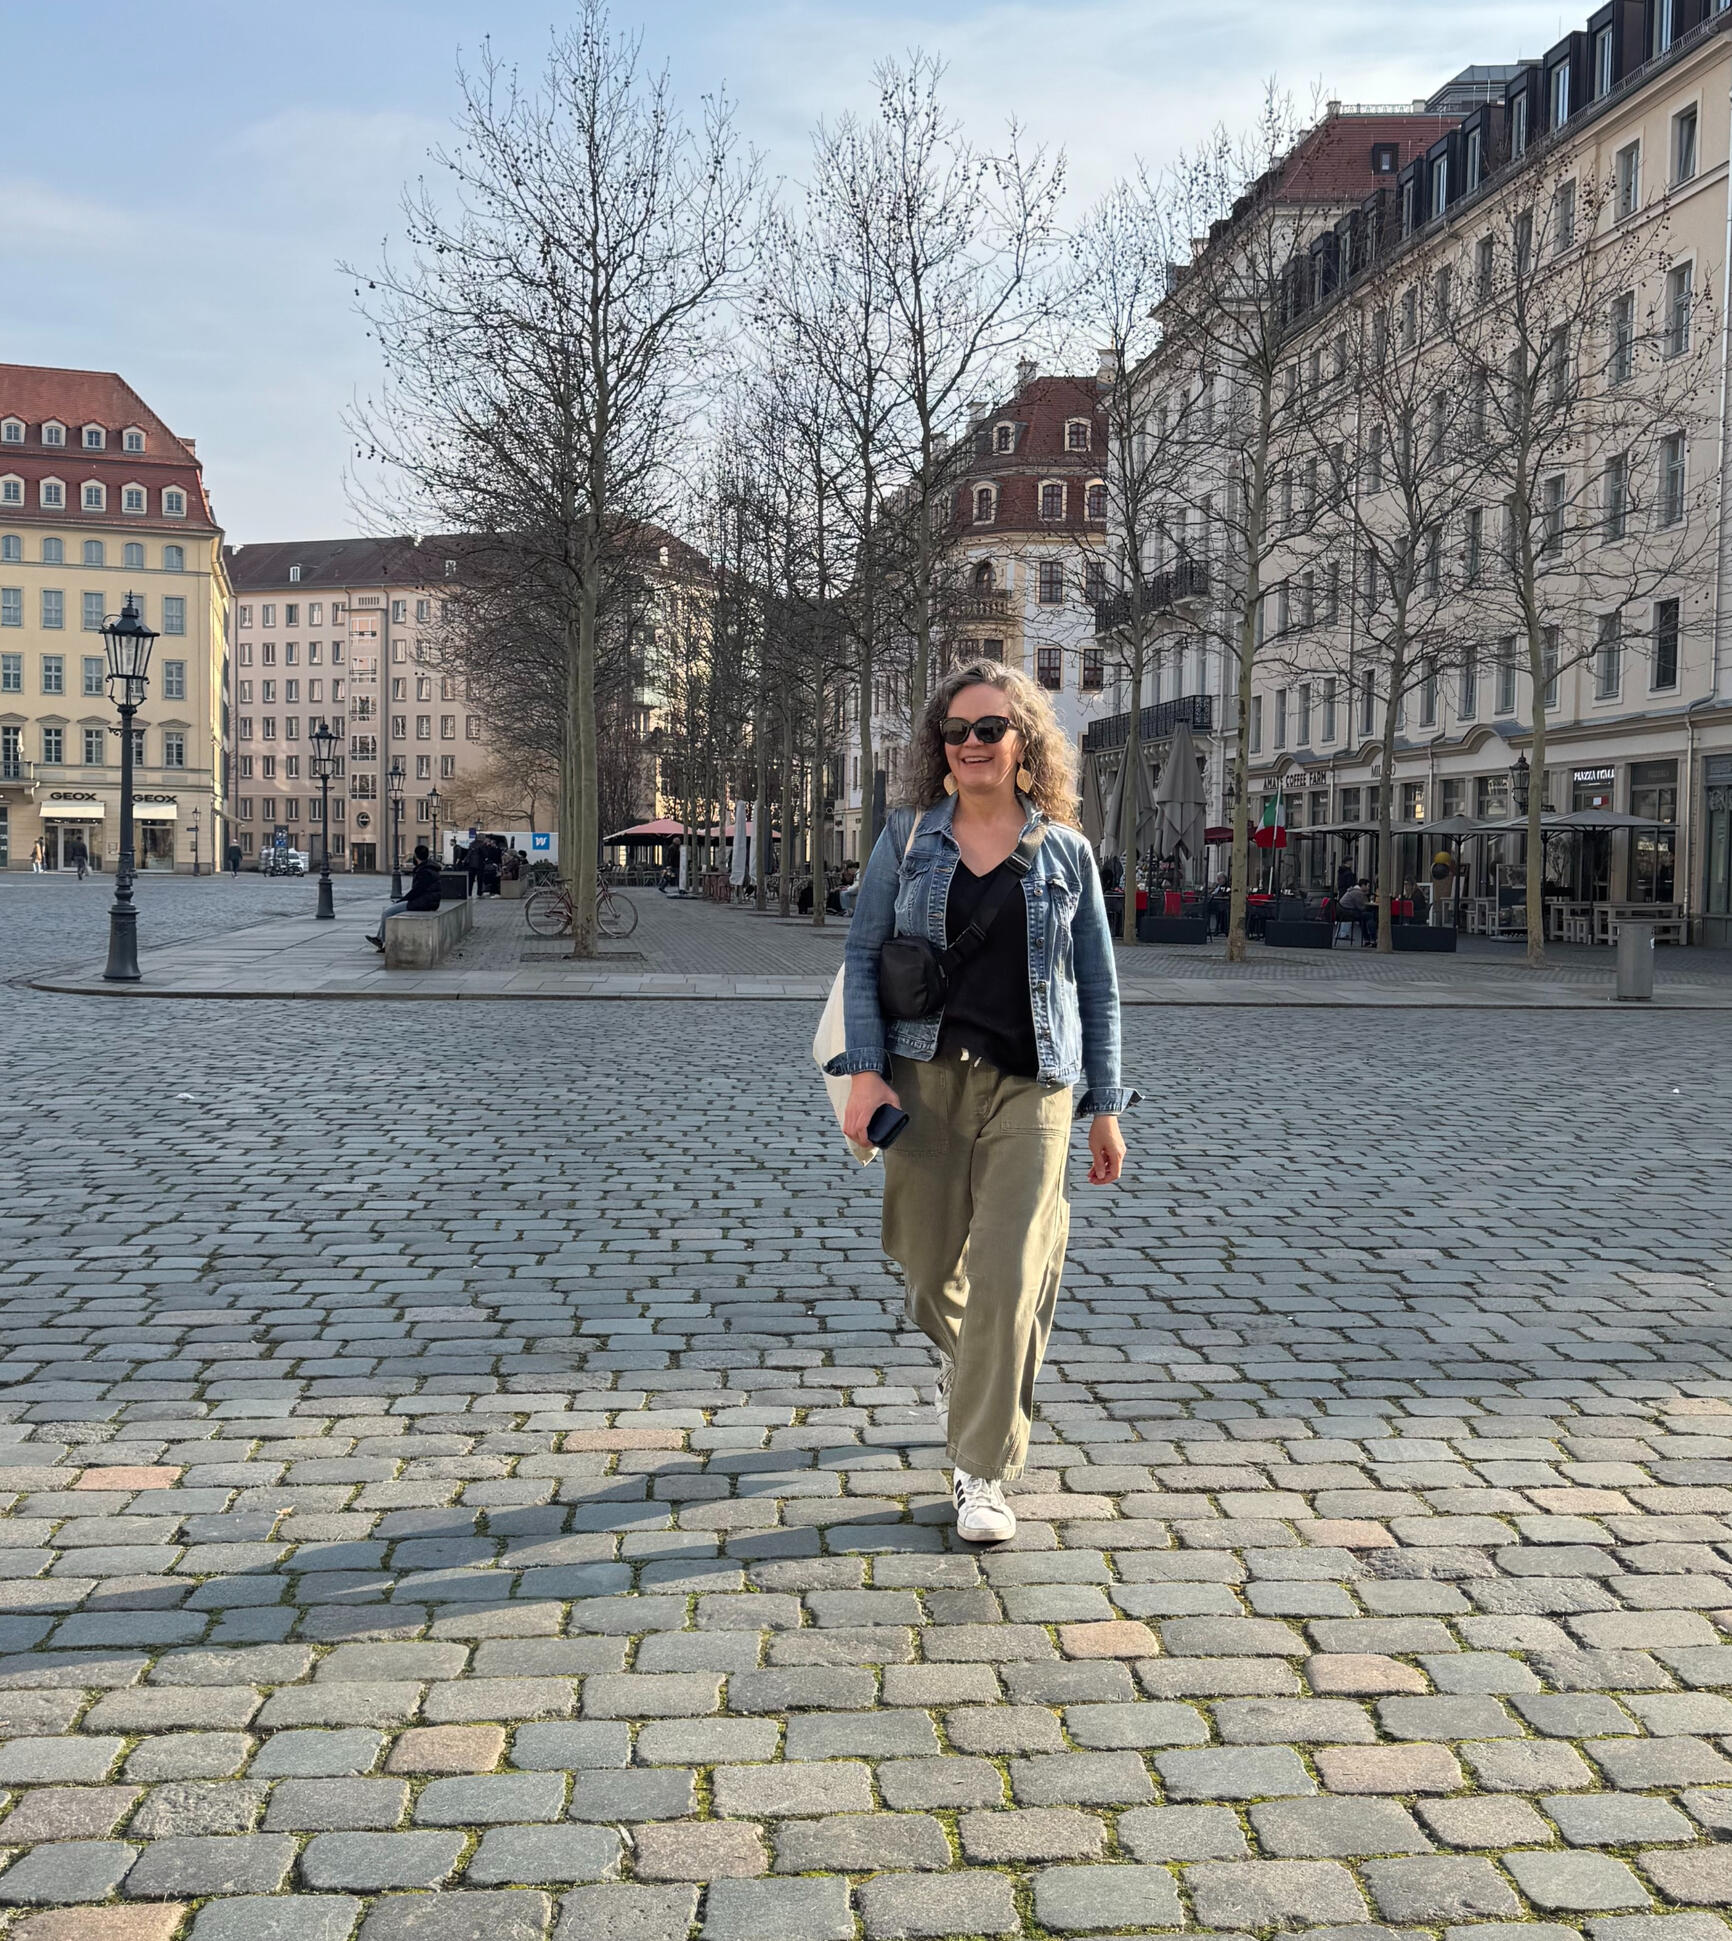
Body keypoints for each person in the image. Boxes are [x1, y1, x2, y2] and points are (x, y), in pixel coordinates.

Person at [834, 657, 1134, 1546]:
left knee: (1008, 1276)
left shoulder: (1066, 852)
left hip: (1033, 1087)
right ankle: (970, 1373)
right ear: (941, 745)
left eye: (990, 728)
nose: (971, 743)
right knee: (928, 1270)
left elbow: (1098, 987)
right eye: (956, 730)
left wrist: (1106, 1105)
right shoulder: (905, 838)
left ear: (1022, 740)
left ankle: (982, 1466)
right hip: (924, 1078)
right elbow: (863, 955)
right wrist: (866, 1070)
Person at [367, 843, 442, 949]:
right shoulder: (430, 868)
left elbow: (416, 891)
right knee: (389, 909)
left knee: (387, 912)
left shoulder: (424, 871)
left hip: (423, 903)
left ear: (416, 857)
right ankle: (380, 938)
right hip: (428, 901)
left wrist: (402, 900)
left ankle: (382, 941)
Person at [1338, 876, 1372, 944]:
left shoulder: (1353, 890)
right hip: (1347, 912)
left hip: (1343, 910)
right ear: (1363, 885)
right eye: (1368, 886)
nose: (1369, 888)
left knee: (1363, 917)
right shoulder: (1357, 893)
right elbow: (1361, 907)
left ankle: (1367, 939)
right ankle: (1372, 938)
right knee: (1369, 916)